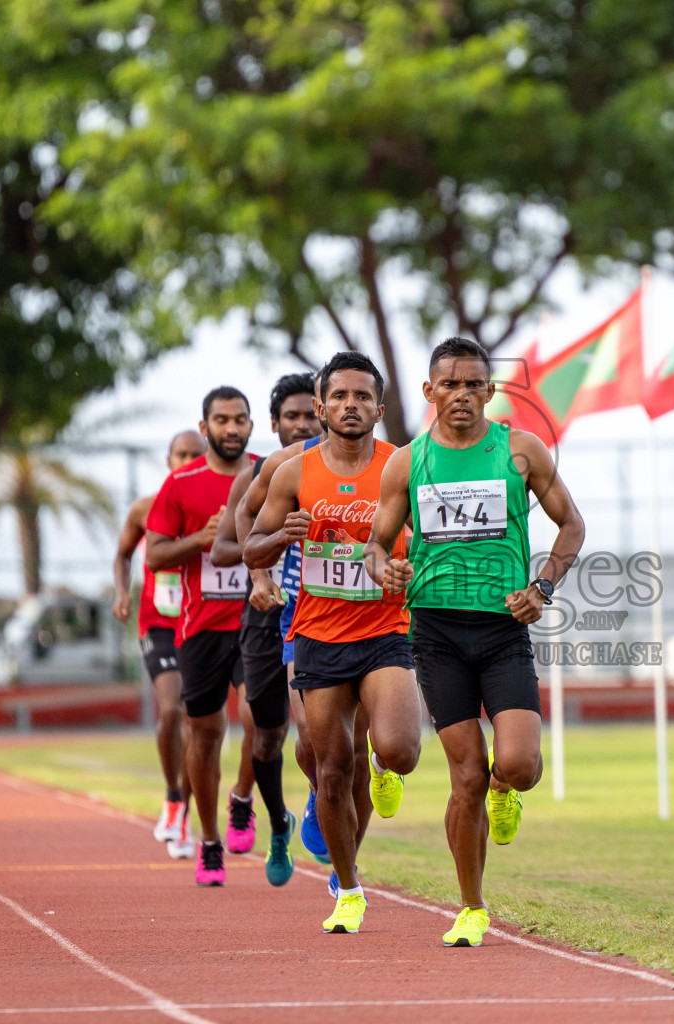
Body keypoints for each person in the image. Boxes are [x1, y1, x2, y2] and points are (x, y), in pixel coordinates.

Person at [365, 336, 585, 948]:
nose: (461, 395)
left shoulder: (519, 451)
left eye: (473, 384)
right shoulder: (407, 463)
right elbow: (377, 546)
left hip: (502, 630)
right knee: (463, 775)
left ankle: (505, 789)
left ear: (490, 391)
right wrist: (384, 569)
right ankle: (471, 906)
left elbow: (572, 522)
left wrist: (541, 585)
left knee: (517, 764)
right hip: (435, 631)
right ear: (429, 390)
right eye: (449, 384)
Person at [247, 352, 422, 934]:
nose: (351, 406)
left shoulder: (403, 465)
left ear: (378, 405)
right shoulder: (294, 472)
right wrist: (278, 538)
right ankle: (347, 888)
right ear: (321, 406)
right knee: (328, 767)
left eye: (362, 396)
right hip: (318, 634)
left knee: (397, 749)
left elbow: (426, 542)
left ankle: (386, 767)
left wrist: (406, 568)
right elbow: (250, 548)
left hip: (384, 628)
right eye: (339, 396)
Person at [206, 374, 323, 885]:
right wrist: (263, 563)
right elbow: (225, 548)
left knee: (315, 733)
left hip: (321, 611)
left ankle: (325, 799)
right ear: (273, 424)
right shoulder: (255, 475)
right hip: (263, 613)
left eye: (307, 415)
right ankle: (279, 821)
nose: (300, 424)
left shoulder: (339, 468)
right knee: (266, 734)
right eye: (290, 417)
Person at [144, 386, 255, 886]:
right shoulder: (181, 484)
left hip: (256, 622)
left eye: (240, 419)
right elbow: (155, 555)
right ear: (205, 424)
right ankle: (209, 839)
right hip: (200, 628)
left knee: (262, 722)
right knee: (205, 733)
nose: (231, 428)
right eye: (222, 420)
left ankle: (242, 798)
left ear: (252, 425)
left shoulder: (266, 472)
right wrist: (201, 540)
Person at [112, 430, 206, 860]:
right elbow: (123, 554)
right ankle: (172, 795)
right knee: (171, 708)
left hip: (202, 623)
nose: (187, 460)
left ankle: (183, 812)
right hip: (158, 624)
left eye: (195, 455)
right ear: (168, 460)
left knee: (198, 723)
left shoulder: (215, 509)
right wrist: (120, 592)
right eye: (181, 454)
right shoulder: (145, 508)